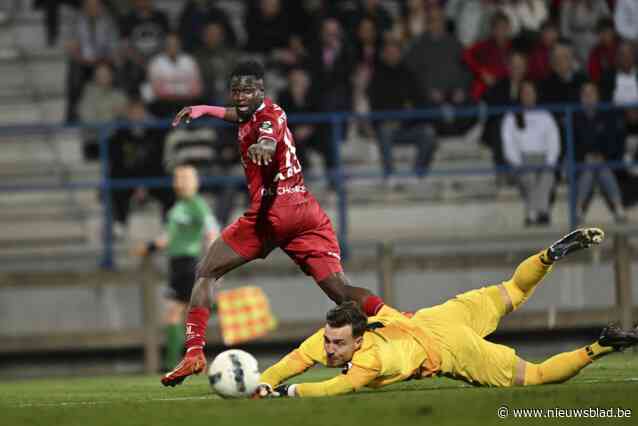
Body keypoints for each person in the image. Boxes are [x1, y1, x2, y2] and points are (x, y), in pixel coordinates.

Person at [161, 60, 380, 387]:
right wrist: (205, 109)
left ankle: (194, 353)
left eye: (248, 90)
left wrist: (264, 147)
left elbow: (267, 135)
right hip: (306, 211)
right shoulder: (258, 110)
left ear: (262, 90)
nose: (240, 97)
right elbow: (241, 114)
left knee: (207, 271)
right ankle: (390, 326)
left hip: (273, 212)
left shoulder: (267, 118)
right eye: (236, 91)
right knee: (341, 290)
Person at [254, 228, 638, 398]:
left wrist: (286, 393)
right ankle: (546, 257)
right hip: (441, 316)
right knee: (516, 289)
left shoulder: (374, 358)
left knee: (537, 376)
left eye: (336, 344)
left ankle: (601, 346)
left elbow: (335, 387)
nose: (328, 348)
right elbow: (295, 359)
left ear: (359, 341)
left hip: (453, 349)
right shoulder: (344, 332)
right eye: (328, 341)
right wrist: (263, 383)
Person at [134, 165, 219, 371]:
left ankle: (173, 363)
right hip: (176, 265)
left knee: (175, 312)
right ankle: (182, 360)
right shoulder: (178, 207)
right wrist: (150, 246)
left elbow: (212, 231)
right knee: (179, 312)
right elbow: (168, 238)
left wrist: (215, 263)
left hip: (189, 263)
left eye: (186, 178)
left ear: (195, 182)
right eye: (178, 178)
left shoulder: (198, 206)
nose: (180, 182)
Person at [501, 81, 560, 226]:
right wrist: (518, 163)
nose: (528, 96)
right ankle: (541, 212)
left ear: (535, 95)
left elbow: (554, 142)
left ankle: (533, 213)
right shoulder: (511, 117)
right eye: (525, 93)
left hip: (543, 158)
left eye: (530, 92)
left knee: (548, 175)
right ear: (520, 96)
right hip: (522, 160)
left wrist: (550, 162)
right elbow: (508, 144)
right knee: (530, 176)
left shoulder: (546, 116)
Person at [574, 82, 627, 224]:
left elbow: (611, 142)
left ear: (598, 97)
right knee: (589, 170)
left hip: (604, 160)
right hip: (582, 162)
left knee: (602, 169)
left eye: (592, 94)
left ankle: (579, 208)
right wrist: (585, 157)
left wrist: (602, 156)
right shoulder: (575, 117)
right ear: (581, 98)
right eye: (585, 94)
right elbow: (573, 145)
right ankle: (617, 206)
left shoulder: (606, 116)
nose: (589, 97)